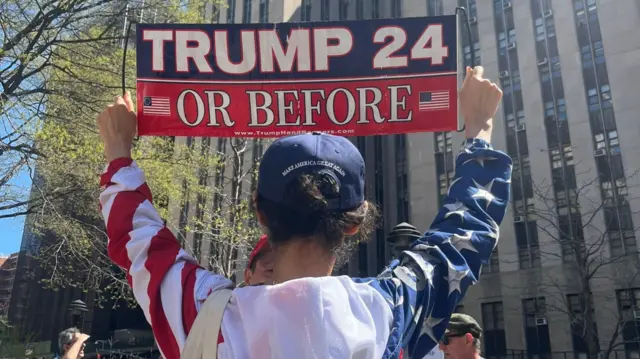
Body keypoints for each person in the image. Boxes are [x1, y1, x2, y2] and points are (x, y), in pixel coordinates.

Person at [97, 66, 509, 359]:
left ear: (259, 211)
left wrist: (119, 153)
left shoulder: (200, 312)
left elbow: (141, 240)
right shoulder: (387, 313)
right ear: (355, 223)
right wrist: (479, 130)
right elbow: (462, 233)